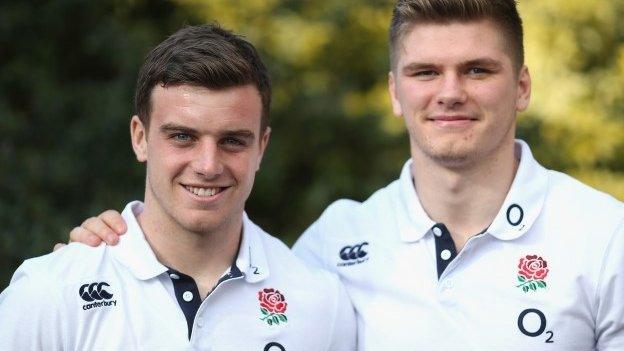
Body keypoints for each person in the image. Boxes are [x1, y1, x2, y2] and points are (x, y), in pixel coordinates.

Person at [64, 0, 624, 350]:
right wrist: (119, 246)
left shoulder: (606, 237)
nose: (450, 92)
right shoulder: (333, 244)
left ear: (522, 86)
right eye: (425, 71)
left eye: (477, 70)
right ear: (395, 91)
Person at [0, 24, 356, 350]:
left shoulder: (321, 302)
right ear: (140, 138)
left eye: (232, 140)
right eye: (183, 136)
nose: (207, 165)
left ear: (261, 147)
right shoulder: (48, 292)